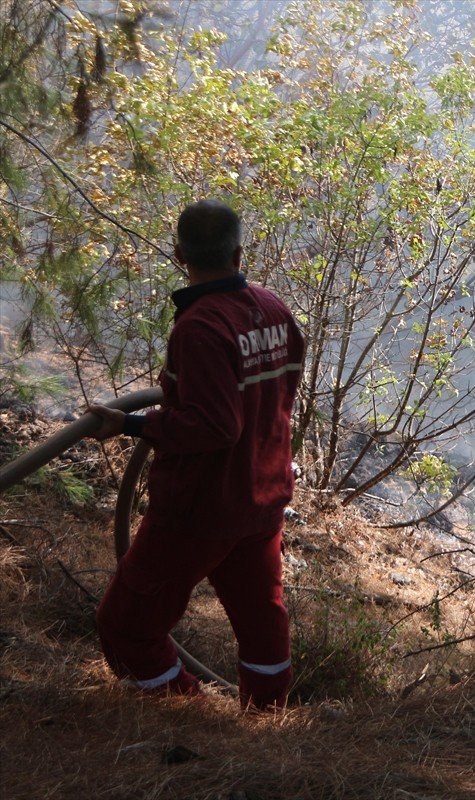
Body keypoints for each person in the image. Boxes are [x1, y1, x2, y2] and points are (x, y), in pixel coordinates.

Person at [88, 199, 305, 710]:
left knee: (125, 626)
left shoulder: (201, 327)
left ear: (179, 252)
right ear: (239, 251)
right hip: (262, 497)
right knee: (261, 620)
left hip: (200, 509)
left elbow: (215, 426)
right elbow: (278, 396)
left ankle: (187, 710)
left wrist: (132, 424)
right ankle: (268, 712)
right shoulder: (273, 308)